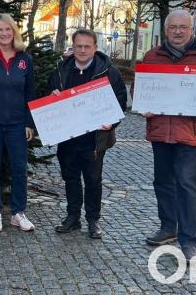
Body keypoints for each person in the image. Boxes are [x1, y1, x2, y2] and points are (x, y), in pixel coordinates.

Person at [140, 9, 196, 260]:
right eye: (173, 28)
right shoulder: (152, 56)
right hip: (160, 131)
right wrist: (141, 105)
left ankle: (189, 239)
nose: (178, 32)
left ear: (191, 30)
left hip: (192, 133)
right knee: (162, 182)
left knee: (185, 182)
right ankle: (168, 227)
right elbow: (140, 89)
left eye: (183, 27)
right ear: (166, 30)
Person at [48, 29, 127, 238]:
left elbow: (120, 101)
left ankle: (93, 220)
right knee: (70, 178)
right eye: (78, 46)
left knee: (93, 180)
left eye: (87, 46)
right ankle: (72, 217)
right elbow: (50, 97)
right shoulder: (60, 70)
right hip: (68, 137)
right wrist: (52, 96)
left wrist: (112, 122)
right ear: (72, 47)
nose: (82, 50)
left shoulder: (109, 72)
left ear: (95, 48)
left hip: (95, 139)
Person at [0, 13, 36, 233]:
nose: (4, 34)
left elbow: (30, 92)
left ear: (14, 32)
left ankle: (18, 213)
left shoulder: (24, 59)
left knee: (19, 169)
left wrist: (29, 123)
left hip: (17, 124)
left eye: (8, 30)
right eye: (0, 30)